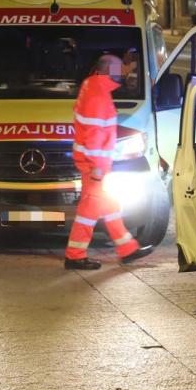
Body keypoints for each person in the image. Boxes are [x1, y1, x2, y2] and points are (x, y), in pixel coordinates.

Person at [65, 54, 153, 270]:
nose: (123, 74)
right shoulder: (98, 95)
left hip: (93, 162)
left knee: (110, 206)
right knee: (89, 210)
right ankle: (75, 255)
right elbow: (95, 135)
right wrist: (96, 167)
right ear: (109, 72)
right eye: (120, 70)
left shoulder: (93, 87)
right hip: (94, 165)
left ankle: (127, 248)